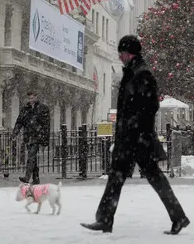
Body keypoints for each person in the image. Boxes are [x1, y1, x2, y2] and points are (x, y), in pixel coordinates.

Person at [81, 35, 189, 235]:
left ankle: (178, 217)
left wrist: (133, 125)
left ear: (129, 53)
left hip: (138, 139)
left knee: (148, 178)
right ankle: (106, 219)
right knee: (118, 177)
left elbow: (151, 105)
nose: (120, 57)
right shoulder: (133, 73)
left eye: (121, 53)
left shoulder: (142, 74)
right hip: (131, 138)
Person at [11, 91, 50, 184]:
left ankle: (27, 177)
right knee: (33, 158)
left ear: (36, 97)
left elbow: (46, 125)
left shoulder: (43, 108)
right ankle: (36, 178)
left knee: (31, 156)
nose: (31, 100)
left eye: (32, 98)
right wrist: (14, 133)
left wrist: (45, 138)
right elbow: (19, 121)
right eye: (29, 98)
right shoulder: (25, 109)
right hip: (28, 136)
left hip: (37, 136)